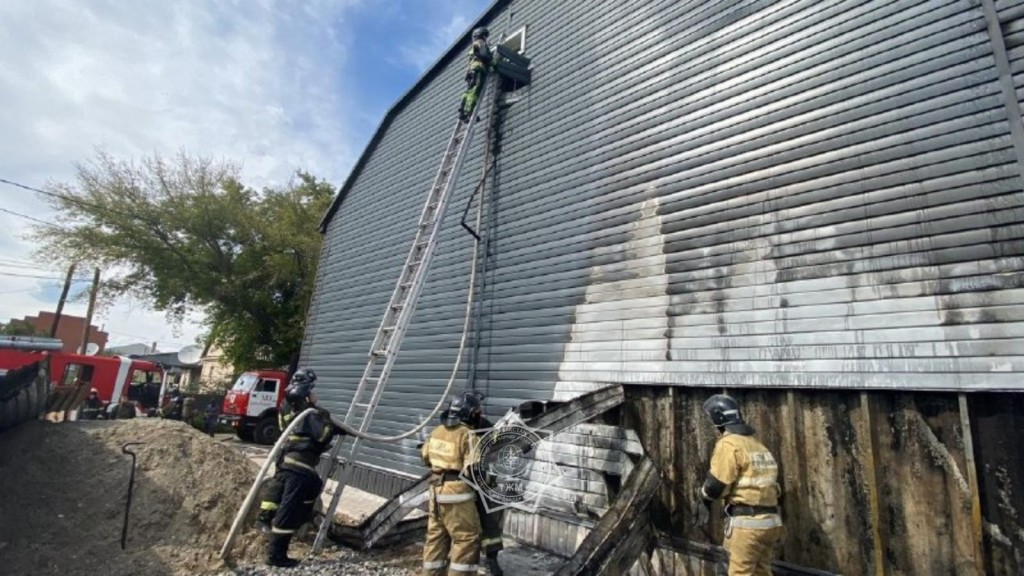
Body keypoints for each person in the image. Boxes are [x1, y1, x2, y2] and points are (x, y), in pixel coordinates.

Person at [263, 368, 345, 568]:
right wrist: (326, 418)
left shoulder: (286, 407)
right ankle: (276, 555)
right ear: (306, 394)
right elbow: (322, 435)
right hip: (299, 466)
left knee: (314, 485)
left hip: (288, 463)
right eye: (313, 391)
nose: (316, 395)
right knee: (288, 509)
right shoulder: (310, 414)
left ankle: (268, 516)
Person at [697, 394, 783, 576]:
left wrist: (703, 498)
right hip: (771, 523)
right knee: (762, 572)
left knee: (739, 573)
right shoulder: (757, 445)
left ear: (717, 419)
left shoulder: (729, 444)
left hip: (747, 526)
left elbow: (716, 485)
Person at [422, 392, 483, 576]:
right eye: (476, 412)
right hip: (456, 494)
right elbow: (473, 470)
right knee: (466, 539)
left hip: (435, 492)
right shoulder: (468, 435)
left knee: (436, 537)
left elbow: (425, 458)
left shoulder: (436, 431)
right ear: (468, 413)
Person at [458, 27, 493, 122]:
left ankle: (462, 112)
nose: (486, 38)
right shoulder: (481, 43)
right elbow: (486, 56)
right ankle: (469, 113)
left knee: (468, 91)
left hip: (471, 71)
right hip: (478, 68)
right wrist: (494, 63)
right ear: (481, 35)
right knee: (475, 90)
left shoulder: (473, 47)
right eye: (485, 35)